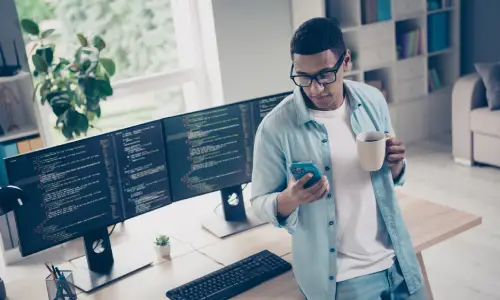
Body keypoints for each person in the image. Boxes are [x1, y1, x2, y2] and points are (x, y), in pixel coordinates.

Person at [250, 17, 427, 300]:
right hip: (344, 281)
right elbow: (258, 202)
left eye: (323, 75)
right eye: (303, 77)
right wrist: (290, 199)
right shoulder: (275, 128)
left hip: (399, 261)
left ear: (345, 62)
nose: (314, 89)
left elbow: (390, 180)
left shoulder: (372, 100)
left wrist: (396, 164)